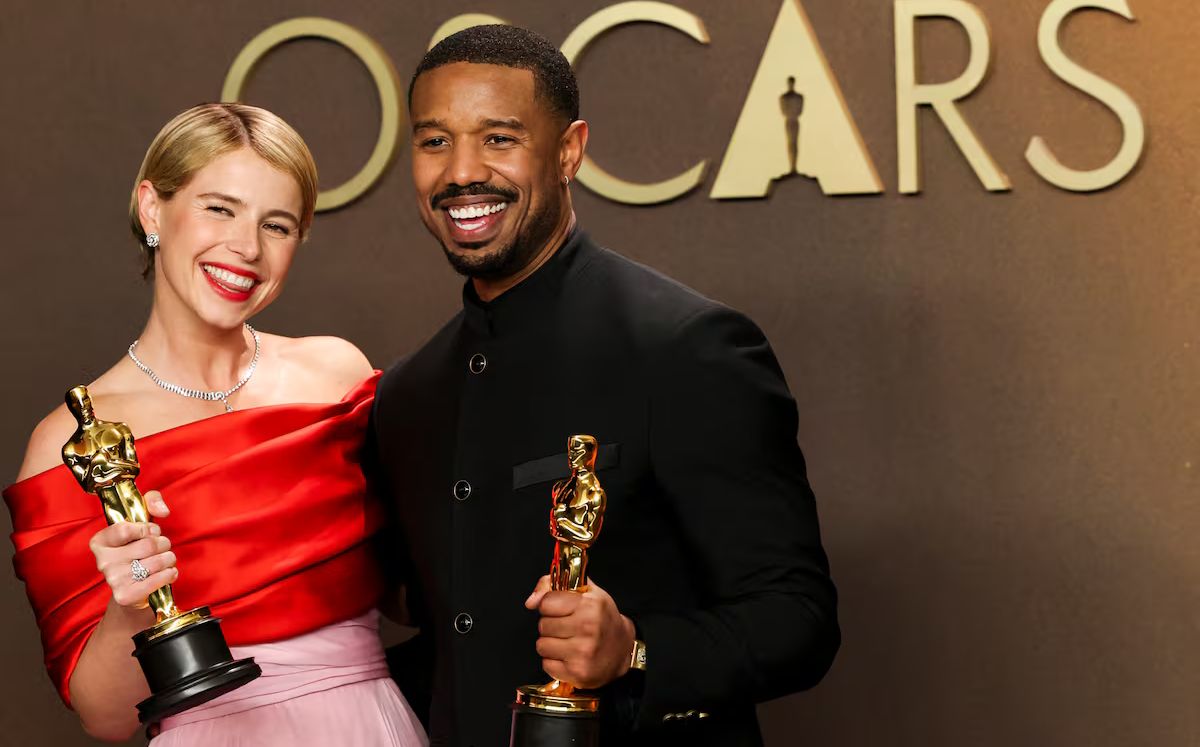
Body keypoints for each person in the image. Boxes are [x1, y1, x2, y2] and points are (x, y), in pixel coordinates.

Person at [368, 25, 839, 746]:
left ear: (569, 150)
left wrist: (636, 648)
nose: (461, 171)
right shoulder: (405, 397)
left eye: (498, 138)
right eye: (435, 141)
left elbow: (798, 617)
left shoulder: (686, 347)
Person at [4, 103, 426, 746]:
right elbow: (106, 719)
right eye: (219, 209)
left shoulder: (339, 378)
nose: (247, 248)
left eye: (277, 225)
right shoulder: (69, 442)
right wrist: (130, 607)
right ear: (152, 209)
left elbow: (415, 588)